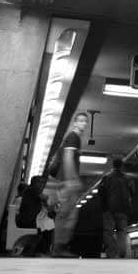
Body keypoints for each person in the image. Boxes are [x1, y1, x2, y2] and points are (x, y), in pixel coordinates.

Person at [53, 111, 89, 258]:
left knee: (70, 215)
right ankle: (59, 248)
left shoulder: (75, 138)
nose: (83, 124)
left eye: (85, 121)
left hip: (66, 181)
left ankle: (60, 247)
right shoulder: (73, 137)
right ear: (75, 122)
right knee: (66, 214)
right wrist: (72, 179)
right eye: (80, 121)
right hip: (68, 181)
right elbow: (68, 158)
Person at [99, 157, 135, 259]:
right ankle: (122, 253)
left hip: (109, 208)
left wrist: (103, 206)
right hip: (123, 209)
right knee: (122, 231)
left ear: (113, 165)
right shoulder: (128, 179)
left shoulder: (106, 178)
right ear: (122, 166)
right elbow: (133, 192)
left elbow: (101, 192)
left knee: (108, 231)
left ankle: (112, 254)